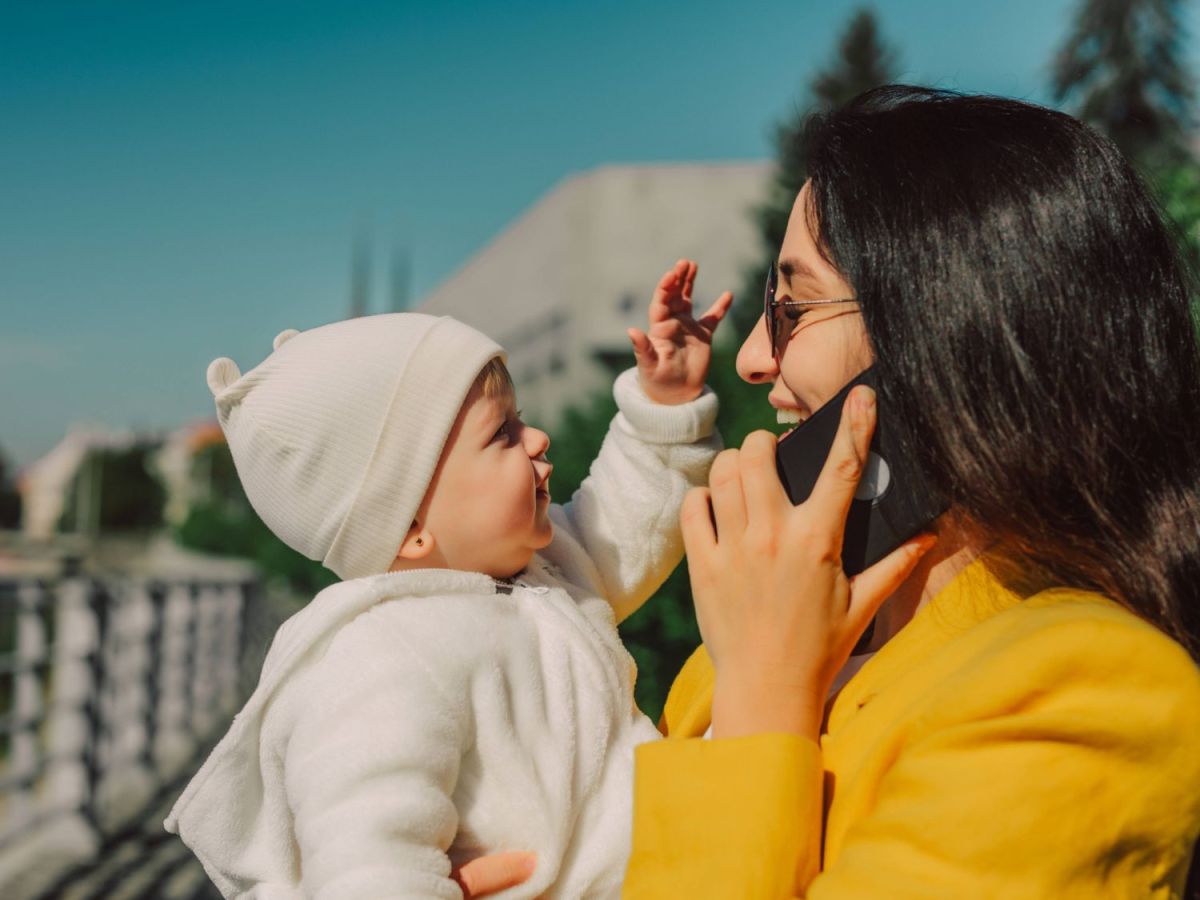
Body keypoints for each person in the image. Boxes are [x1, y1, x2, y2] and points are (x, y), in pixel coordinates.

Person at [619, 86, 1200, 897]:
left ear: (948, 332)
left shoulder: (1086, 687)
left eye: (794, 305)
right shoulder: (749, 645)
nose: (752, 357)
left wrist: (761, 700)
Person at [164, 260, 731, 898]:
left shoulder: (540, 575)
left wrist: (665, 404)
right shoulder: (380, 659)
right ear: (409, 528)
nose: (538, 438)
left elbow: (626, 523)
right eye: (503, 434)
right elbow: (366, 861)